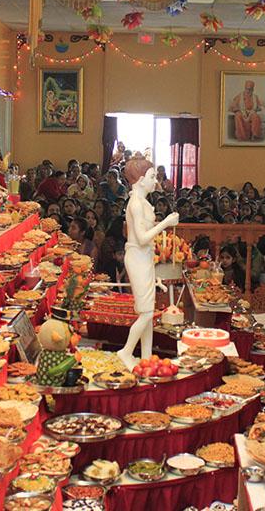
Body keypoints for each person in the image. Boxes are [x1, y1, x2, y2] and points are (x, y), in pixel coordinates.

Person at [116, 155, 179, 369]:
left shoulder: (142, 202)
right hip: (137, 256)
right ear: (141, 180)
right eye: (152, 177)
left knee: (147, 311)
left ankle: (146, 356)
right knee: (146, 312)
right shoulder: (135, 203)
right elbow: (142, 238)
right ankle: (126, 351)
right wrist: (165, 223)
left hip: (144, 257)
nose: (156, 181)